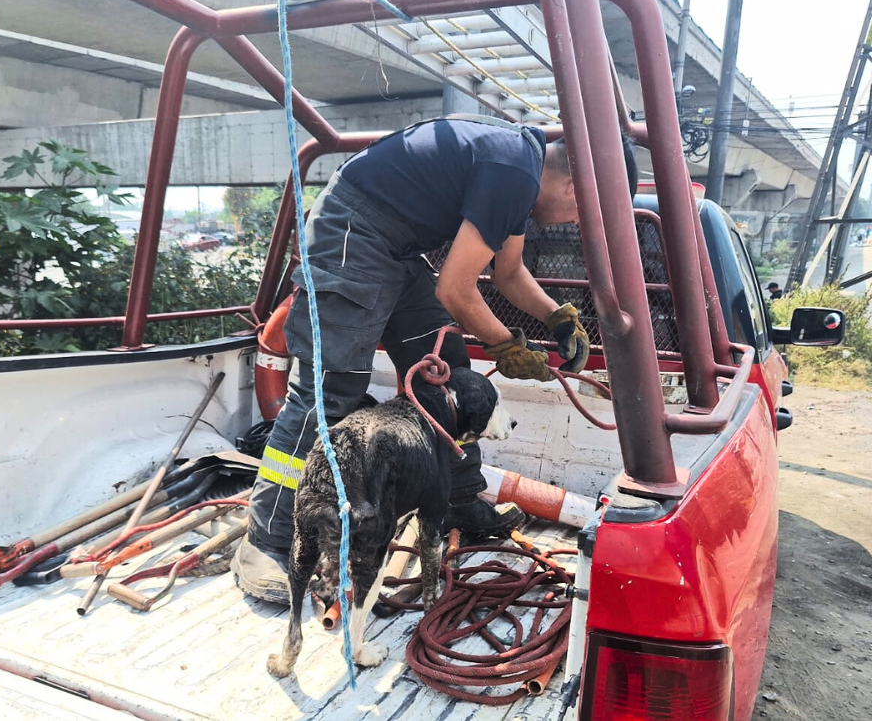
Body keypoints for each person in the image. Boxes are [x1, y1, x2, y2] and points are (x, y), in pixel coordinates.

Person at [233, 115, 639, 604]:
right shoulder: (513, 169)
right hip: (353, 233)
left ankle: (455, 499)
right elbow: (455, 288)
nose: (575, 225)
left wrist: (557, 318)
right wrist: (506, 345)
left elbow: (508, 274)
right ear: (575, 188)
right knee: (329, 391)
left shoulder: (520, 168)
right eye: (583, 216)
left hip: (396, 247)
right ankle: (267, 540)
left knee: (442, 362)